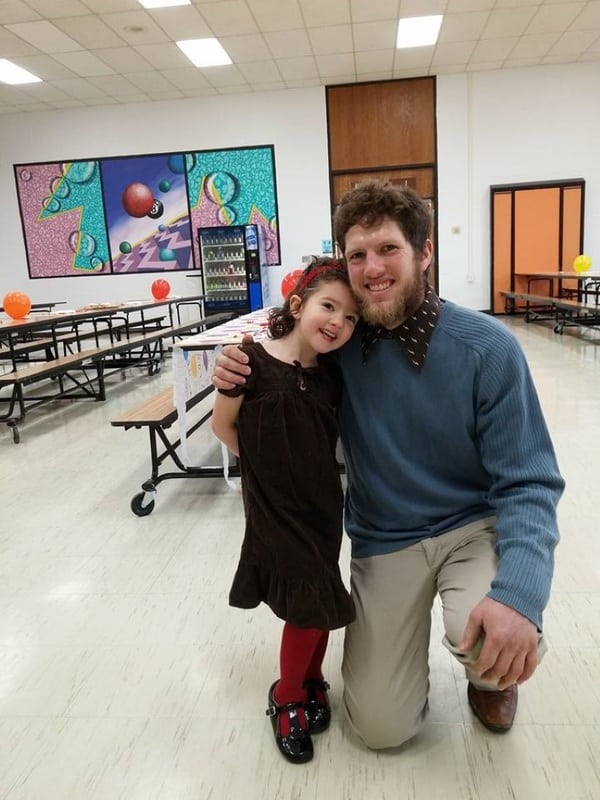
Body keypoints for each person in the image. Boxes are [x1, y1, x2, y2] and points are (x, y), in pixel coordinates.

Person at [212, 180, 565, 750]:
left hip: (470, 529)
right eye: (357, 255)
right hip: (386, 539)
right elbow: (285, 354)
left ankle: (486, 674)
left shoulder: (488, 349)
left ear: (425, 253)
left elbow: (530, 481)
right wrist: (236, 370)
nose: (371, 268)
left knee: (487, 628)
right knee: (379, 729)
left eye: (388, 249)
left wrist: (519, 595)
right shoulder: (340, 345)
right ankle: (411, 671)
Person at [211, 257, 360, 764]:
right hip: (275, 510)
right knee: (305, 601)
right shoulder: (250, 362)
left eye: (350, 317)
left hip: (321, 506)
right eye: (328, 306)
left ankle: (314, 678)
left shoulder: (332, 376)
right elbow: (223, 427)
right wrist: (256, 476)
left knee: (317, 594)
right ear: (298, 306)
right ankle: (288, 697)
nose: (338, 322)